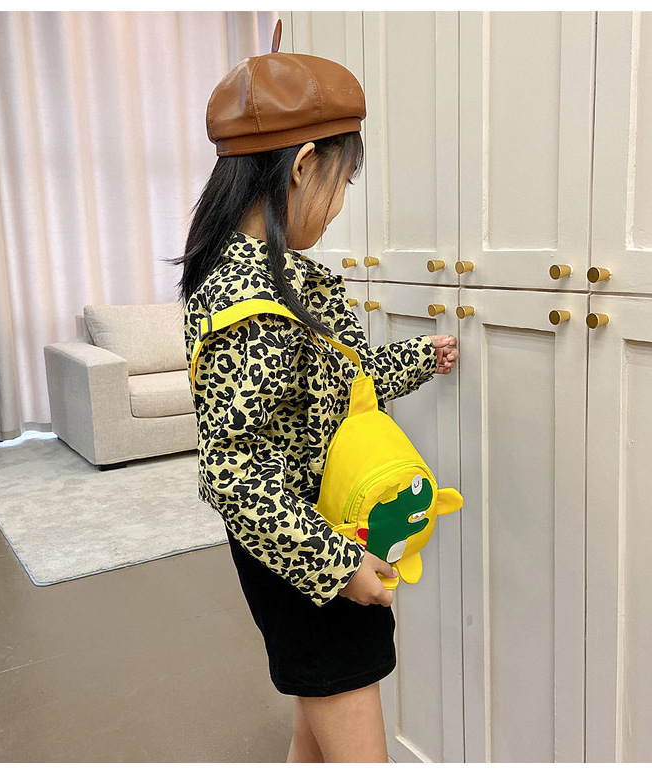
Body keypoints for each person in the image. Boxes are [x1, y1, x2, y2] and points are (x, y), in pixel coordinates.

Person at [172, 21, 459, 763]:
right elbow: (234, 472)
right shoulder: (255, 303)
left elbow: (331, 392)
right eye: (343, 181)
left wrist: (416, 359)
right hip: (310, 551)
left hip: (311, 542)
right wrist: (340, 566)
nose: (338, 205)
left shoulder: (266, 276)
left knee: (318, 717)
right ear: (303, 166)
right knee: (352, 732)